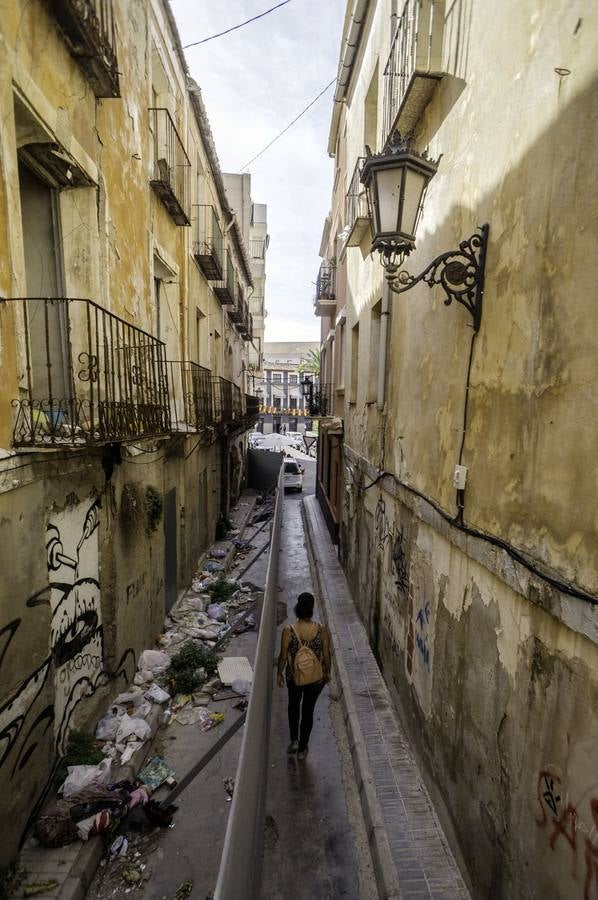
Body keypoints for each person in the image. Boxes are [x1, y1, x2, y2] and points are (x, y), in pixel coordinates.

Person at [277, 592, 331, 759]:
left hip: (294, 678)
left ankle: (294, 740)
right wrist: (327, 672)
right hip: (315, 679)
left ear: (297, 609)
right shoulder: (321, 630)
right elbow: (327, 655)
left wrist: (279, 673)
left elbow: (284, 656)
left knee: (293, 708)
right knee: (308, 711)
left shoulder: (288, 631)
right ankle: (303, 749)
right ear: (312, 609)